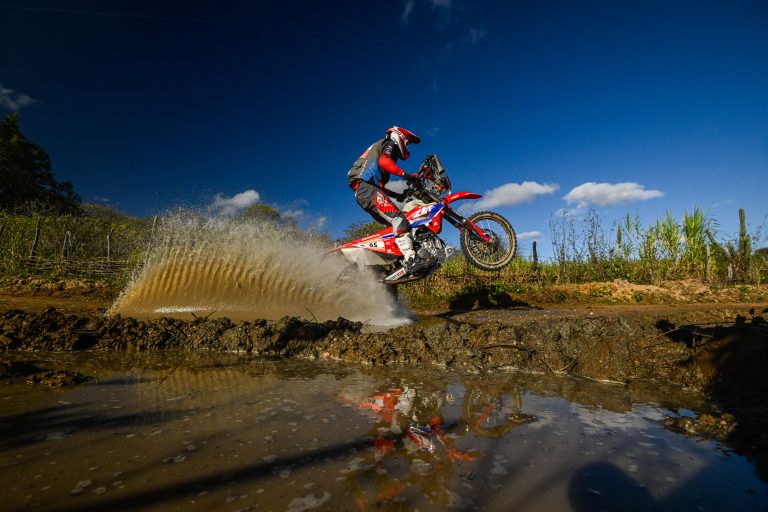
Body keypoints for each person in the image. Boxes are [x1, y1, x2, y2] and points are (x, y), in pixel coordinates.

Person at [347, 126, 430, 272]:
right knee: (399, 219)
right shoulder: (389, 143)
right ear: (400, 136)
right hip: (366, 188)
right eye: (408, 142)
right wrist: (407, 175)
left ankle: (395, 263)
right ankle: (410, 259)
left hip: (365, 191)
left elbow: (381, 188)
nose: (408, 146)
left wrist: (398, 195)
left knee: (394, 227)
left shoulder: (382, 160)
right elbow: (385, 161)